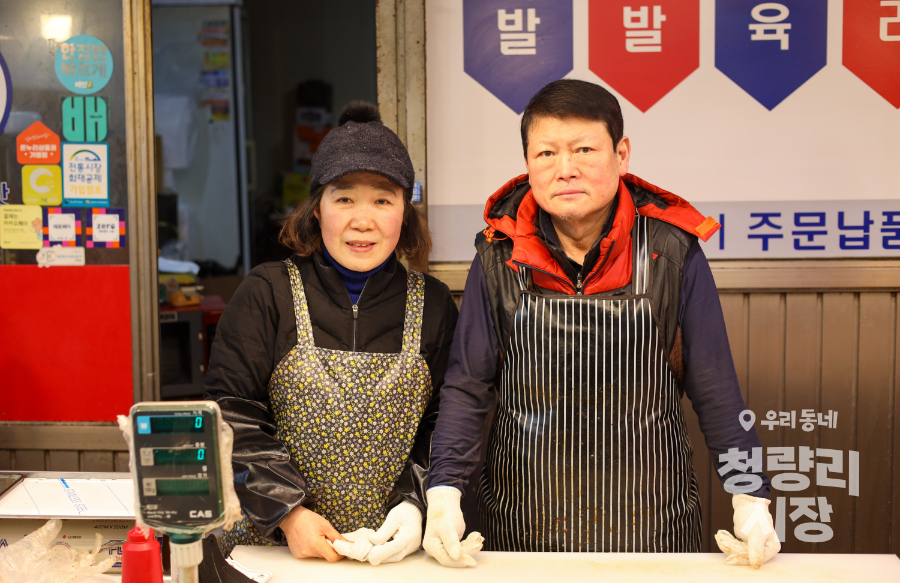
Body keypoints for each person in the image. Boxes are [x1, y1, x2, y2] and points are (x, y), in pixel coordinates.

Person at [422, 80, 779, 568]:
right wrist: (443, 494)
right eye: (545, 153)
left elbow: (716, 390)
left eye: (584, 149)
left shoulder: (672, 253)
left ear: (621, 153)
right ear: (528, 162)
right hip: (522, 526)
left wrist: (750, 496)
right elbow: (466, 388)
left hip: (653, 527)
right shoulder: (498, 256)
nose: (564, 169)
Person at [204, 102, 460, 566]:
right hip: (273, 547)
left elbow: (445, 420)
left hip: (393, 552)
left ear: (405, 212)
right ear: (316, 209)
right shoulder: (269, 291)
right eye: (344, 198)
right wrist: (287, 511)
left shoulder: (436, 304)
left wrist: (416, 504)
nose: (363, 220)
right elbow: (230, 412)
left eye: (383, 200)